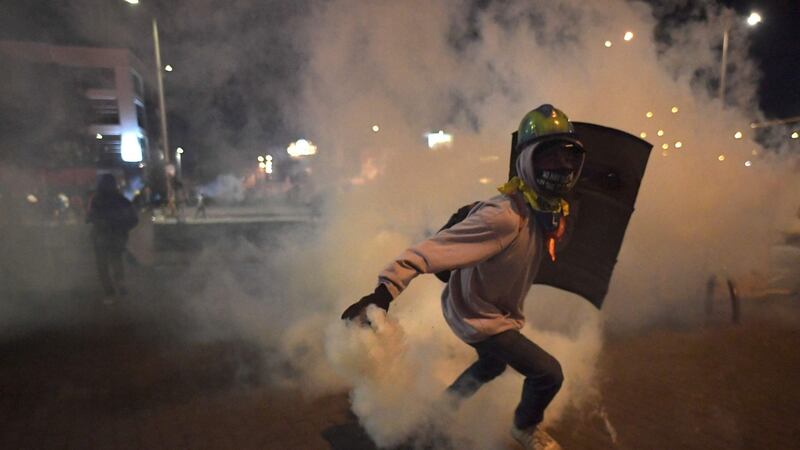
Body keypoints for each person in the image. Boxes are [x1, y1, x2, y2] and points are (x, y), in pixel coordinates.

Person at [341, 105, 586, 450]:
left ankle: (442, 410)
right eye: (548, 157)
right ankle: (524, 428)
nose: (561, 167)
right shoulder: (504, 216)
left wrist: (561, 224)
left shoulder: (546, 213)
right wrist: (382, 294)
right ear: (526, 161)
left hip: (496, 311)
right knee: (548, 373)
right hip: (477, 317)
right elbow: (424, 252)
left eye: (569, 157)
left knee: (492, 366)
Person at [86, 174, 139, 302]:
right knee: (116, 260)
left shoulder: (96, 200)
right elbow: (134, 218)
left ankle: (109, 292)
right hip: (117, 236)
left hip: (101, 235)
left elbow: (90, 217)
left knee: (102, 265)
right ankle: (120, 285)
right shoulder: (121, 200)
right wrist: (124, 228)